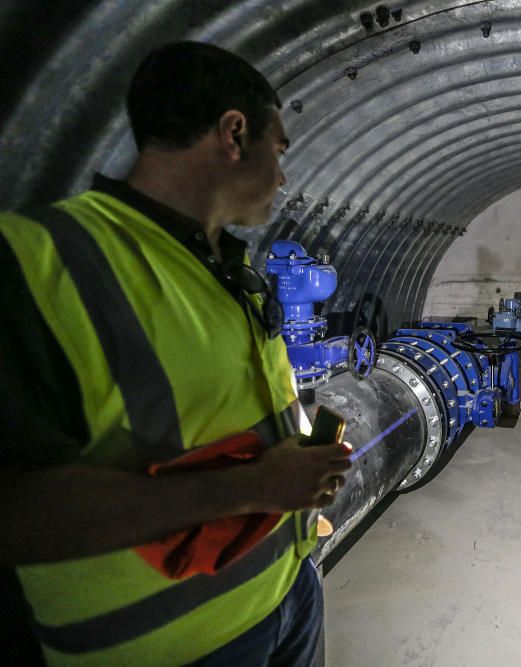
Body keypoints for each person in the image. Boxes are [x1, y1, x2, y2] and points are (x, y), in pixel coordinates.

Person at [0, 41, 351, 665]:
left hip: (288, 593)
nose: (285, 174)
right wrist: (255, 486)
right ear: (233, 134)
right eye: (281, 150)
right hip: (173, 647)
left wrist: (298, 455)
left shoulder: (227, 269)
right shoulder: (37, 260)